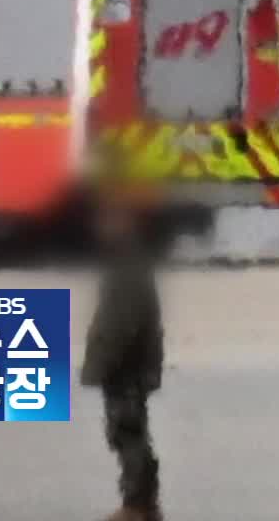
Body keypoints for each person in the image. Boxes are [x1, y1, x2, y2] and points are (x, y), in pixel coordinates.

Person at [79, 178, 166, 521]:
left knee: (126, 432)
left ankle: (138, 504)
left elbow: (121, 320)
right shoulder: (126, 257)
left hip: (126, 364)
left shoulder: (126, 261)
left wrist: (102, 362)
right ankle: (143, 501)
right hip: (129, 362)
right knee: (127, 431)